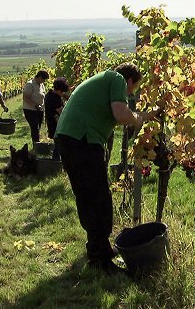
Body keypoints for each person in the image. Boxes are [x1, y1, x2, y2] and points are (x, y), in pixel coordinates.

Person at [55, 63, 158, 273]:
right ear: (129, 81)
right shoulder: (117, 79)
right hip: (81, 140)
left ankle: (99, 250)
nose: (129, 94)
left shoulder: (103, 80)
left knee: (88, 197)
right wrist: (138, 118)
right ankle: (100, 260)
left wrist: (145, 115)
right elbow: (121, 114)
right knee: (99, 198)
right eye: (132, 90)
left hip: (70, 139)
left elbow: (124, 113)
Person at [44, 77, 69, 160]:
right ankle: (55, 165)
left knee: (58, 145)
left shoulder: (49, 94)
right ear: (59, 90)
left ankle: (56, 163)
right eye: (63, 92)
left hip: (51, 123)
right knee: (58, 146)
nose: (63, 93)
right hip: (56, 125)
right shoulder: (55, 99)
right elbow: (62, 113)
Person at [23, 70, 49, 143]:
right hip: (30, 110)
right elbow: (25, 98)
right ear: (40, 77)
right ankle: (36, 145)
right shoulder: (30, 84)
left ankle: (36, 144)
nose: (44, 81)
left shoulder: (41, 84)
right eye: (44, 79)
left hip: (39, 110)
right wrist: (35, 105)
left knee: (38, 127)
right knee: (35, 127)